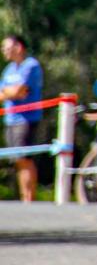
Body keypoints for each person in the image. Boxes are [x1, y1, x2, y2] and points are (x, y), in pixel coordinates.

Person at [2, 35, 44, 202]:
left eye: (6, 47)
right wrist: (10, 92)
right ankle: (23, 197)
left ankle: (29, 199)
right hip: (10, 119)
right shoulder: (9, 69)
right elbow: (4, 93)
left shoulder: (31, 65)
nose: (4, 51)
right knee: (18, 161)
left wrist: (9, 92)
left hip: (26, 119)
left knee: (25, 158)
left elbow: (20, 91)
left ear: (18, 47)